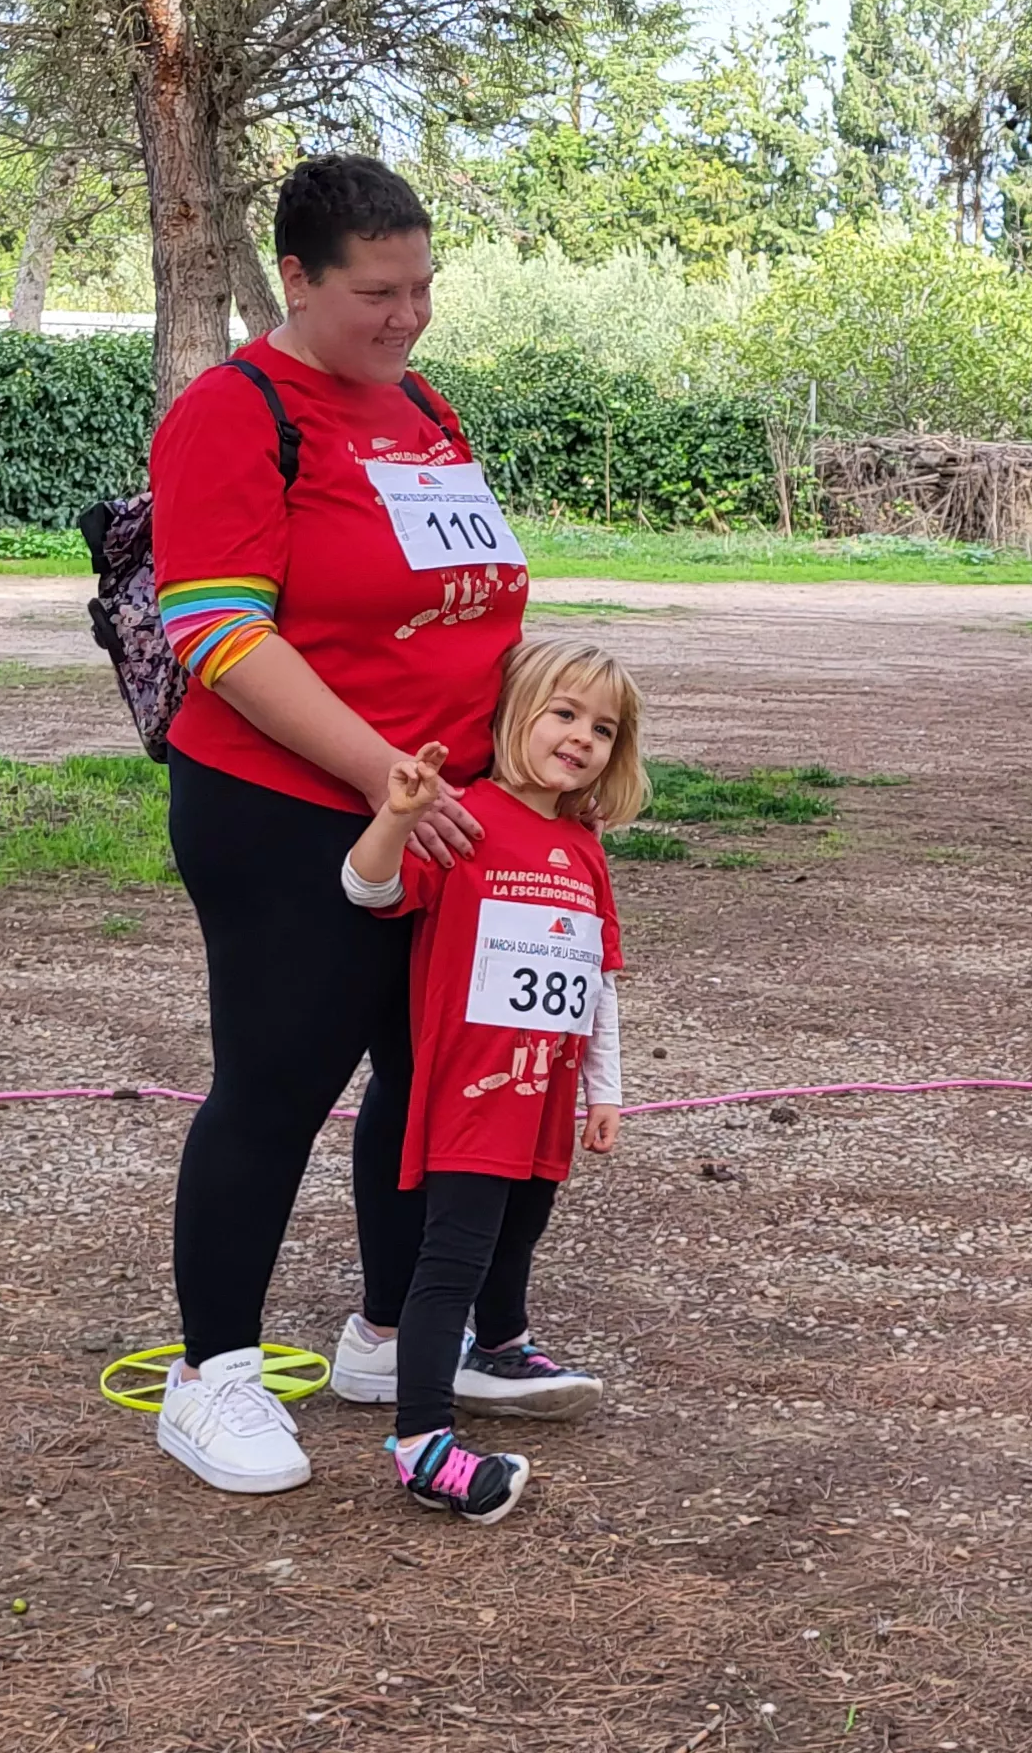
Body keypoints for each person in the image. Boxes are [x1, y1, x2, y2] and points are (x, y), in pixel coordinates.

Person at [146, 155, 545, 1496]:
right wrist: (385, 775)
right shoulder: (234, 411)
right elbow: (215, 631)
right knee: (276, 1087)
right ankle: (213, 1378)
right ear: (298, 280)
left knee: (424, 1079)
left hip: (442, 811)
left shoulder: (423, 407)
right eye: (377, 292)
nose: (407, 315)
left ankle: (390, 1336)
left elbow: (465, 595)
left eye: (424, 285)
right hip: (292, 813)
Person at [341, 638, 649, 1522]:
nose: (582, 737)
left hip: (545, 1096)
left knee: (520, 1233)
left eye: (603, 727)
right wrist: (398, 815)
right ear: (515, 713)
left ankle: (506, 1346)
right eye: (564, 713)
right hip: (470, 1096)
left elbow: (595, 984)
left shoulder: (583, 850)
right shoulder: (463, 821)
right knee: (454, 1258)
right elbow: (366, 889)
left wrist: (606, 1089)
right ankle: (421, 1441)